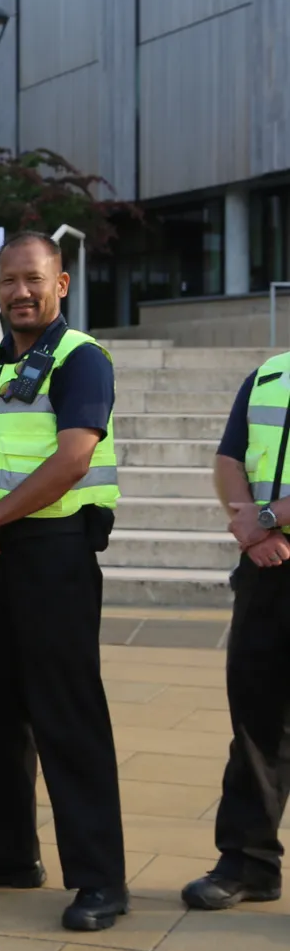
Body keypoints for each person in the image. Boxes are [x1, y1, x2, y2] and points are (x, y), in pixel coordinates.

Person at [0, 231, 127, 931]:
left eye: (33, 280)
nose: (19, 292)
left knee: (67, 716)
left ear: (61, 284)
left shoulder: (82, 361)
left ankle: (100, 879)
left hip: (53, 555)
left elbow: (74, 459)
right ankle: (7, 852)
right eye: (8, 280)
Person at [178, 351, 290, 911]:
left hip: (273, 537)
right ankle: (249, 863)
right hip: (268, 569)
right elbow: (229, 459)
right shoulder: (269, 375)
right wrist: (253, 530)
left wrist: (269, 517)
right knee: (254, 720)